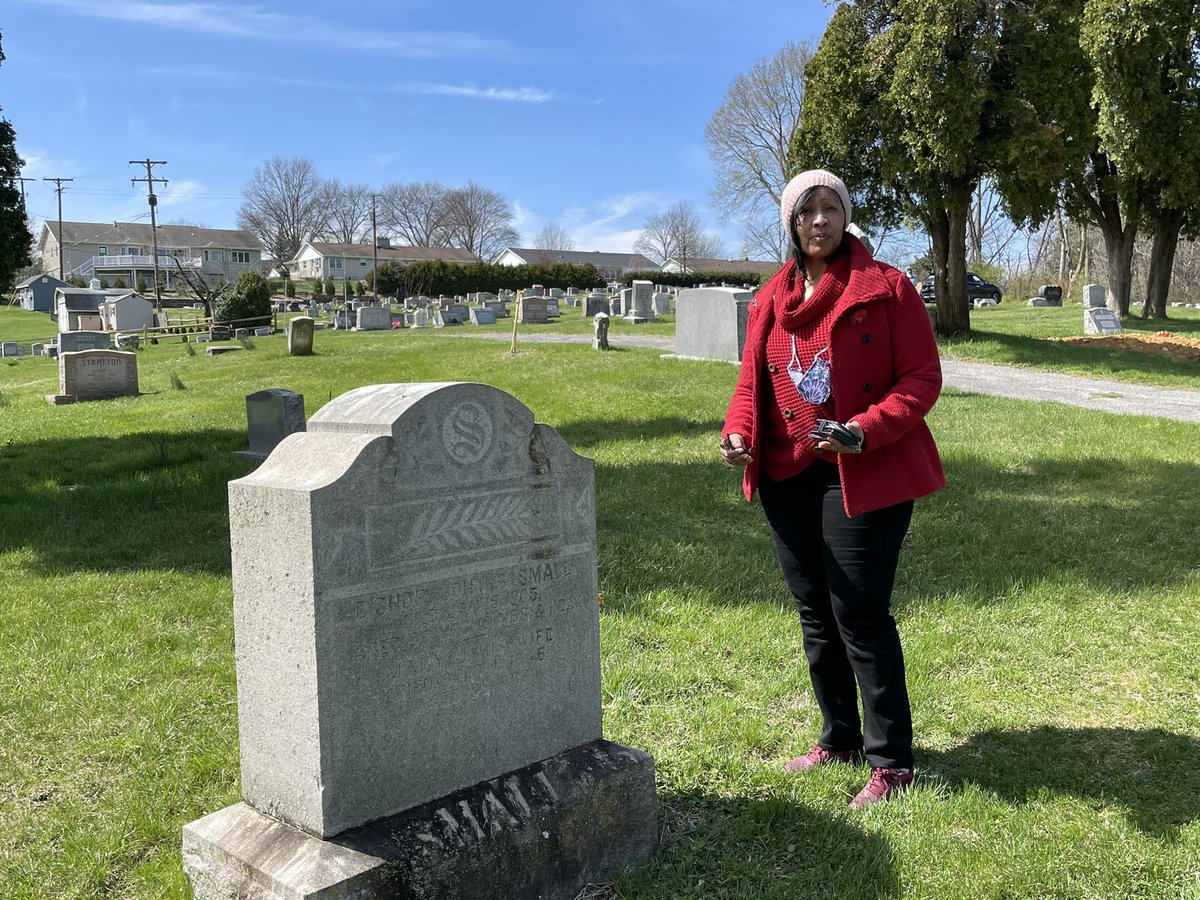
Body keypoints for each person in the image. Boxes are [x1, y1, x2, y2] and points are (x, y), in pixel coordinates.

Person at [719, 169, 945, 808]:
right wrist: (738, 432)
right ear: (790, 224)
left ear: (846, 217)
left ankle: (892, 761)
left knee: (859, 612)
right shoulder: (770, 298)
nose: (819, 220)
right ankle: (840, 738)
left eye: (831, 208)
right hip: (787, 473)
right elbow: (748, 386)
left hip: (863, 469)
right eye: (806, 211)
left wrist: (863, 431)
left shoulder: (888, 289)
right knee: (815, 611)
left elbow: (922, 379)